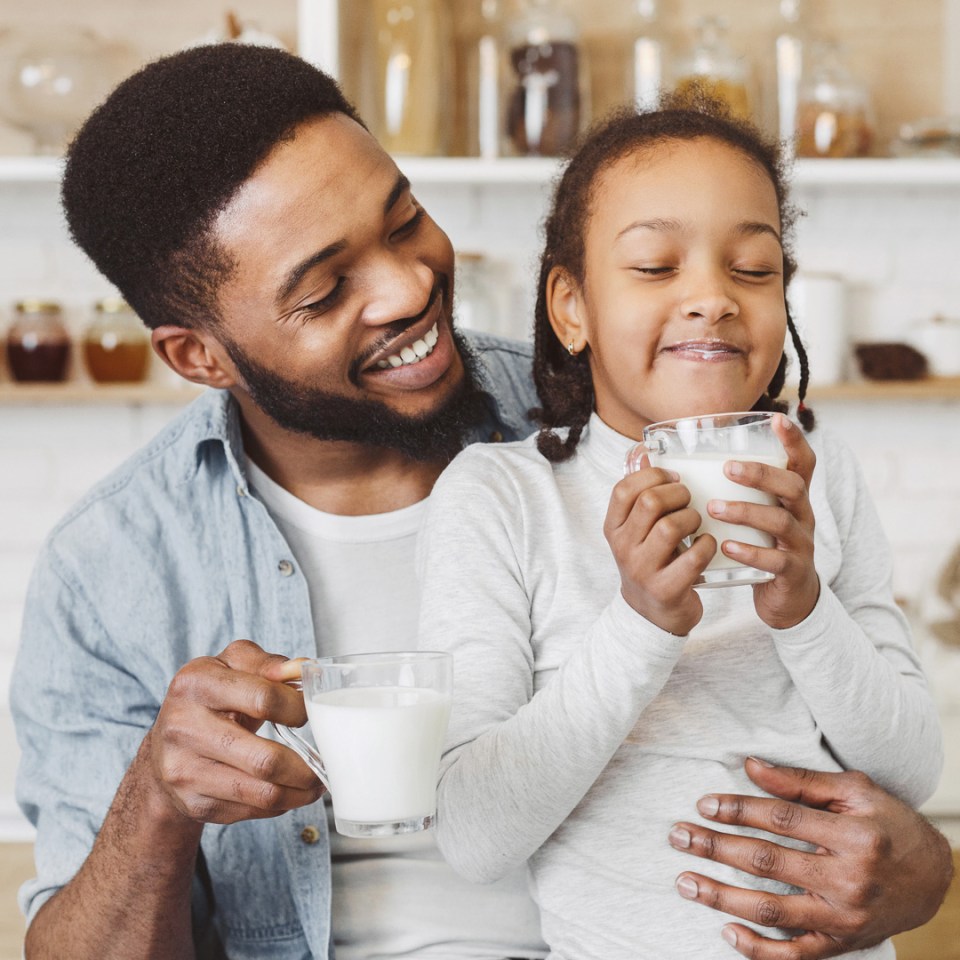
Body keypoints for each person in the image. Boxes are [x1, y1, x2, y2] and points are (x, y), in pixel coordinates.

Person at [9, 43, 952, 960]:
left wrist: (918, 869)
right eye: (329, 288)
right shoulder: (114, 567)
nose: (411, 286)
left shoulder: (610, 398)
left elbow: (890, 769)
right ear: (198, 356)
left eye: (405, 218)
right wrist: (158, 807)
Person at [417, 101, 946, 959]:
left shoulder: (822, 475)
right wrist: (640, 624)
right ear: (570, 307)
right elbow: (474, 835)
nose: (712, 298)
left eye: (753, 267)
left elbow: (911, 769)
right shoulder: (503, 497)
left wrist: (804, 608)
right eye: (657, 266)